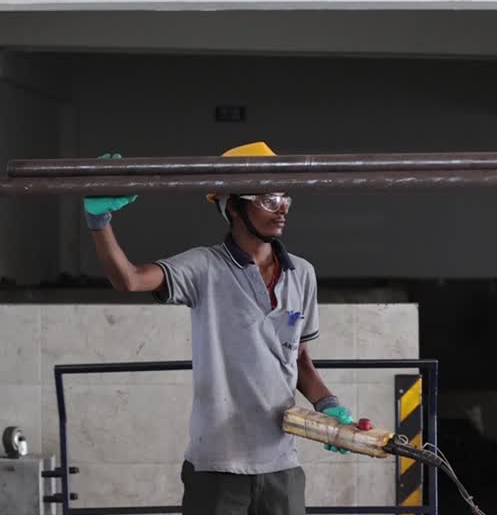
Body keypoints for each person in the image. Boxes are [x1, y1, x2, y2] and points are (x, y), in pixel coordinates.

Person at [83, 142, 356, 515]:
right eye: (268, 199)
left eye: (284, 198)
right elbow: (128, 279)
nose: (282, 208)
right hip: (216, 465)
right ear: (233, 206)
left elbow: (299, 360)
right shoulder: (204, 268)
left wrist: (330, 407)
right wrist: (99, 221)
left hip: (281, 463)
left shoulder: (302, 273)